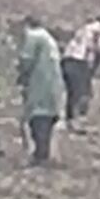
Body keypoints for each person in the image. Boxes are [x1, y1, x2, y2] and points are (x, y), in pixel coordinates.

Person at [18, 15, 64, 166]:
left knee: (39, 118)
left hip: (40, 82)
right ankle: (43, 153)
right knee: (47, 116)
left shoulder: (33, 36)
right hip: (54, 84)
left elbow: (26, 59)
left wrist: (21, 77)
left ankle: (40, 155)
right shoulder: (49, 38)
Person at [61, 18, 100, 128]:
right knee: (83, 92)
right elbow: (98, 49)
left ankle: (69, 119)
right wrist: (94, 66)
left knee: (72, 92)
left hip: (67, 59)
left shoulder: (86, 27)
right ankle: (78, 120)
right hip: (79, 61)